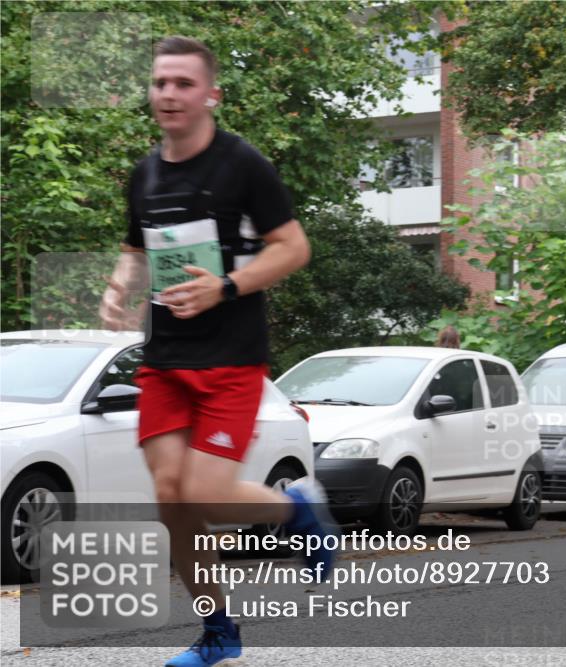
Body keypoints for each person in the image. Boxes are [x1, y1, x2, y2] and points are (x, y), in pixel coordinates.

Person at [100, 36, 338, 667]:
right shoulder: (145, 173)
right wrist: (121, 283)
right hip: (165, 359)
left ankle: (294, 510)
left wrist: (226, 286)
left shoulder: (243, 165)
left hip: (231, 358)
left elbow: (292, 247)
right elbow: (136, 246)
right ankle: (218, 632)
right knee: (172, 501)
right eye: (160, 83)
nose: (168, 94)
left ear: (211, 94)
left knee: (205, 496)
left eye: (183, 83)